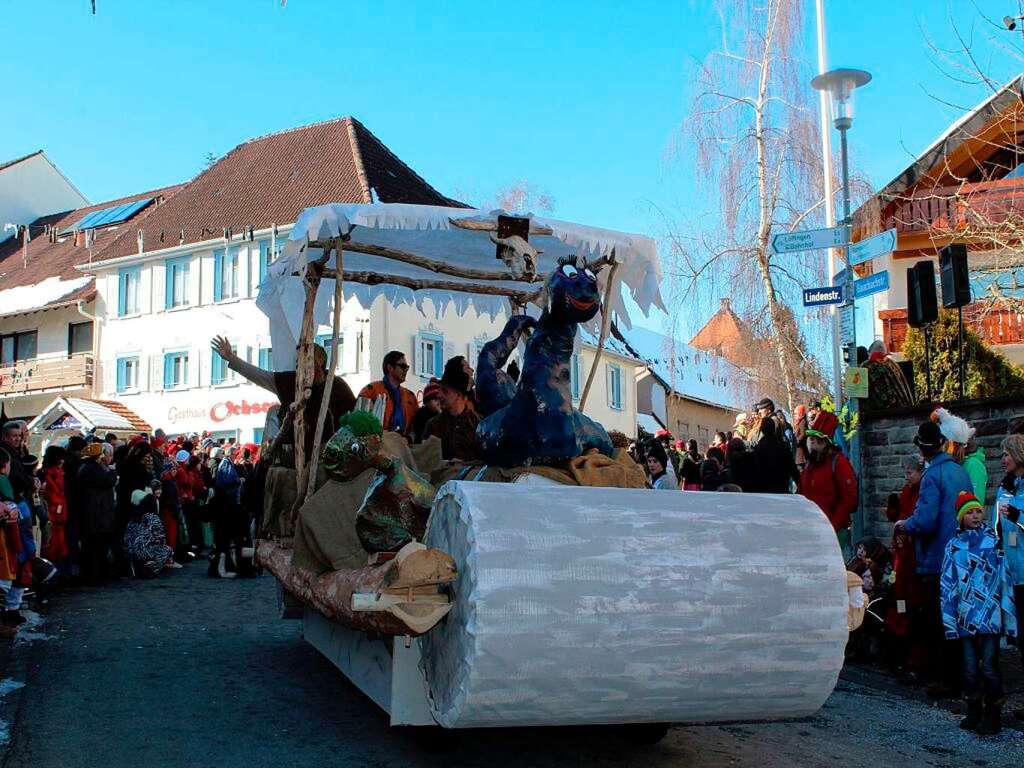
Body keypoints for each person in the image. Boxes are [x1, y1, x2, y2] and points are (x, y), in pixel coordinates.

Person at [894, 419, 973, 697]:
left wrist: (906, 524)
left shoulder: (932, 477)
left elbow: (926, 521)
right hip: (961, 554)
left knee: (937, 621)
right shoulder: (960, 472)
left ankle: (945, 679)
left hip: (936, 557)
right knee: (958, 617)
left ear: (923, 450)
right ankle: (964, 675)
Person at [940, 491, 1017, 734]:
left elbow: (1005, 580)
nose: (975, 516)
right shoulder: (953, 547)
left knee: (989, 667)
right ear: (960, 517)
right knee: (970, 668)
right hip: (965, 617)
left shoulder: (993, 542)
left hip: (991, 616)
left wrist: (1009, 618)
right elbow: (947, 585)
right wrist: (949, 622)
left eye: (977, 511)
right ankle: (973, 709)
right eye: (969, 512)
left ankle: (993, 714)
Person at [210, 336, 355, 459]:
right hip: (294, 453)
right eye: (298, 362)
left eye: (305, 360)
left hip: (329, 453)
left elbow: (352, 419)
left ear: (319, 362)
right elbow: (260, 375)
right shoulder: (289, 381)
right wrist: (232, 358)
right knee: (274, 411)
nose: (299, 366)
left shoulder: (337, 386)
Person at [884, 455, 925, 677]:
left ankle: (913, 658)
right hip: (901, 556)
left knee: (910, 605)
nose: (907, 477)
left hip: (911, 556)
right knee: (899, 601)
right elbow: (901, 515)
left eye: (910, 473)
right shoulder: (908, 490)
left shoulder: (921, 491)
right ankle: (899, 651)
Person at [799, 411, 857, 555]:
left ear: (825, 441)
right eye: (810, 437)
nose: (811, 441)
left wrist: (832, 525)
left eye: (815, 438)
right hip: (811, 528)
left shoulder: (839, 463)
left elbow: (849, 499)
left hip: (833, 530)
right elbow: (802, 492)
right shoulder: (810, 464)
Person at [994, 435, 1024, 684]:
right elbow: (998, 527)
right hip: (1010, 569)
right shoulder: (1006, 487)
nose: (1003, 459)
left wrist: (1019, 517)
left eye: (1006, 454)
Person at [424, 359, 482, 463]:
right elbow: (426, 462)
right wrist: (446, 464)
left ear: (459, 395)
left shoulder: (478, 424)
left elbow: (486, 461)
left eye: (445, 391)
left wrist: (465, 465)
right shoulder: (433, 425)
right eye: (439, 390)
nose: (439, 395)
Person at [77, 442, 117, 586]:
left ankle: (94, 575)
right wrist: (112, 472)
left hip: (95, 514)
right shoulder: (93, 469)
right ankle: (94, 576)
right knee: (94, 547)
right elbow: (107, 482)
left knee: (94, 547)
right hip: (95, 515)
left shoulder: (88, 467)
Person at [358, 351, 419, 436]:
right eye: (402, 366)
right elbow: (359, 421)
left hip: (404, 444)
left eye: (407, 367)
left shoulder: (410, 396)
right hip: (377, 443)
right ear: (390, 368)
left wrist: (410, 438)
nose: (406, 370)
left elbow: (416, 426)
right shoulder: (370, 391)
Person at [124, 488, 177, 578]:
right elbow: (160, 537)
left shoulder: (132, 516)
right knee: (168, 550)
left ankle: (137, 567)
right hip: (144, 551)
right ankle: (151, 568)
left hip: (129, 550)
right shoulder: (152, 517)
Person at [208, 448, 241, 579]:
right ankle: (219, 568)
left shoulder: (224, 464)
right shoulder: (226, 464)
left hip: (225, 504)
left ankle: (220, 568)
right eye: (234, 454)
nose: (235, 456)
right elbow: (227, 483)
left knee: (224, 539)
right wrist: (239, 481)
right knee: (224, 539)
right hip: (226, 504)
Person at [750, 418, 799, 494]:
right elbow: (793, 468)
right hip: (781, 489)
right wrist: (799, 484)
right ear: (774, 429)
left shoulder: (758, 448)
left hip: (763, 491)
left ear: (762, 430)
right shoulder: (783, 446)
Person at [39, 446, 69, 571]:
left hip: (53, 514)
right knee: (54, 547)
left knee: (51, 546)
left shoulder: (46, 473)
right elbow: (55, 496)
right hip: (55, 515)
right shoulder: (55, 474)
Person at [409, 379, 442, 445]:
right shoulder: (421, 415)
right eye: (435, 399)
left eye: (440, 399)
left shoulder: (442, 413)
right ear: (427, 402)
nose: (438, 402)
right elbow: (419, 434)